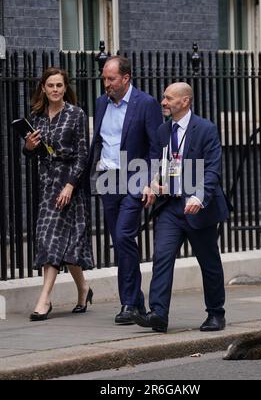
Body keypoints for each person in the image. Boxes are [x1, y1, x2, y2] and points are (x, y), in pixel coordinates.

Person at [133, 82, 230, 333]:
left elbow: (211, 169)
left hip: (198, 207)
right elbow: (158, 163)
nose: (163, 102)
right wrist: (151, 183)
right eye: (163, 97)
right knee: (162, 257)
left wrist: (198, 197)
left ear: (185, 101)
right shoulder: (163, 131)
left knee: (208, 262)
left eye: (168, 98)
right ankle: (158, 313)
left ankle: (216, 314)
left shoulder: (205, 129)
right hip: (171, 207)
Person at [87, 56, 163, 325]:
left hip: (134, 178)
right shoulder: (101, 102)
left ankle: (129, 303)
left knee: (122, 236)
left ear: (126, 78)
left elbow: (156, 147)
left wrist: (150, 180)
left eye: (111, 79)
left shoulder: (146, 103)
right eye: (104, 78)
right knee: (121, 243)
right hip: (108, 179)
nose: (106, 83)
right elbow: (100, 141)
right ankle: (136, 304)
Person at [24, 67, 94, 321]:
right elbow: (34, 154)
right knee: (52, 240)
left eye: (59, 86)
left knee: (60, 241)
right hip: (47, 185)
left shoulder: (76, 114)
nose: (55, 90)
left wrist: (70, 185)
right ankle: (84, 289)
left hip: (69, 186)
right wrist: (29, 147)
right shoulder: (38, 117)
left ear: (66, 88)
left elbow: (83, 155)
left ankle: (44, 300)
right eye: (51, 85)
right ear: (43, 87)